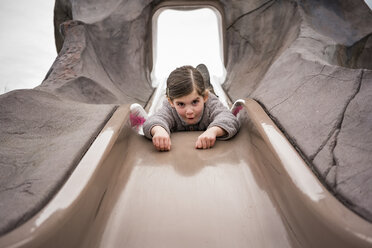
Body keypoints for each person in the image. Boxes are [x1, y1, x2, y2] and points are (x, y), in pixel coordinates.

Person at [130, 64, 242, 151]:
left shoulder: (210, 103)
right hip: (194, 95)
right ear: (171, 102)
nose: (189, 111)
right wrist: (159, 131)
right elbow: (153, 121)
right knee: (194, 91)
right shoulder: (169, 108)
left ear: (204, 97)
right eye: (181, 104)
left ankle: (206, 84)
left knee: (207, 90)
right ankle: (202, 83)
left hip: (208, 96)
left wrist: (213, 131)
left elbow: (230, 119)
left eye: (194, 102)